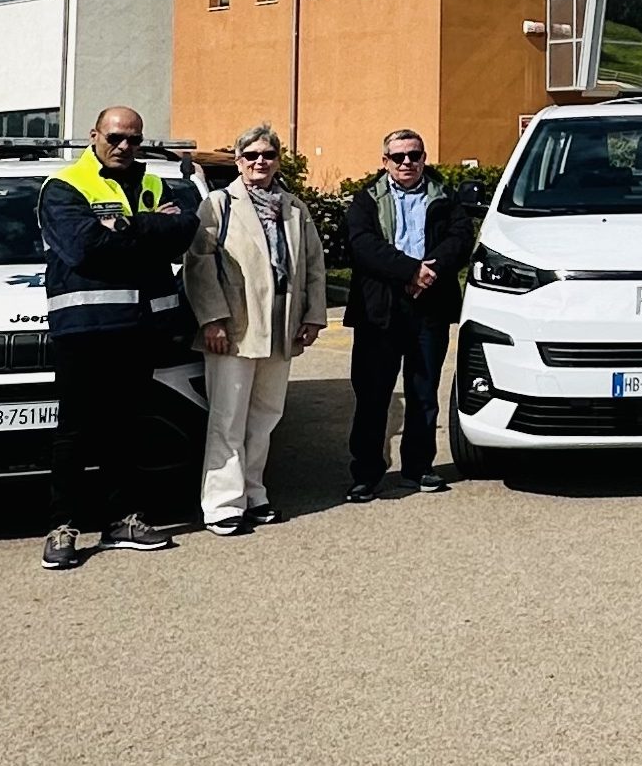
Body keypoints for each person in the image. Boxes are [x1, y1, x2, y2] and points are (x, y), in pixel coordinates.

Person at [37, 106, 199, 571]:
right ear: (95, 135)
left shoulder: (152, 183)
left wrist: (124, 226)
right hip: (85, 328)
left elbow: (183, 231)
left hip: (140, 327)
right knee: (75, 432)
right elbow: (84, 250)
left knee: (126, 428)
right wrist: (149, 229)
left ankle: (122, 521)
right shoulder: (65, 185)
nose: (125, 146)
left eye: (134, 139)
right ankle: (62, 526)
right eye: (116, 137)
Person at [184, 124, 328, 536]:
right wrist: (212, 319)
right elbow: (199, 264)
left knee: (265, 415)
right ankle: (222, 503)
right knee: (228, 417)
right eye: (251, 156)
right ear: (238, 161)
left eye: (267, 155)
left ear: (278, 160)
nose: (259, 162)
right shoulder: (218, 204)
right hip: (235, 324)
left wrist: (312, 315)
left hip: (280, 324)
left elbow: (314, 267)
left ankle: (254, 492)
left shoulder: (295, 208)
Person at [344, 127, 474, 501]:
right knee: (372, 395)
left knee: (423, 393)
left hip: (429, 307)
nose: (407, 163)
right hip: (379, 310)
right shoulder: (366, 199)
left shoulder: (443, 196)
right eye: (398, 156)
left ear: (424, 158)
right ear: (385, 161)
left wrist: (429, 271)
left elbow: (461, 238)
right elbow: (362, 246)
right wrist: (409, 271)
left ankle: (418, 468)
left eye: (414, 155)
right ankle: (366, 474)